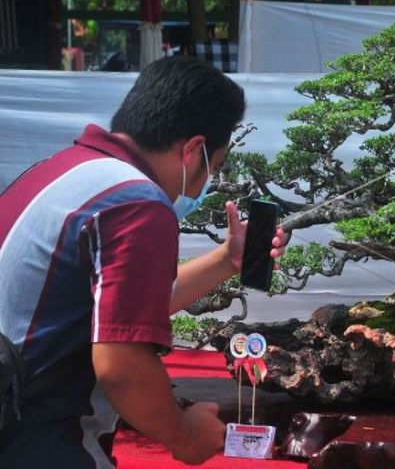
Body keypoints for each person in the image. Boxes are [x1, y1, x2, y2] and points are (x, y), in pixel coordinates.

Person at [0, 56, 285, 467]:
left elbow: (116, 310)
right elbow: (122, 363)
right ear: (194, 150)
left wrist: (227, 260)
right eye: (214, 168)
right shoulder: (137, 201)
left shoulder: (61, 169)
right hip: (37, 440)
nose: (206, 184)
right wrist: (185, 434)